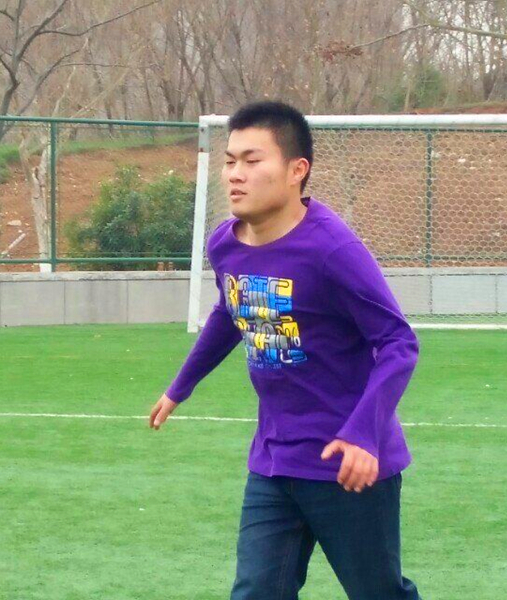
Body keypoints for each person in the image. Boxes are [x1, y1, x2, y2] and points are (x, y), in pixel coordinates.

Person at [150, 101, 422, 600]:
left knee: (378, 592)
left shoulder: (332, 250)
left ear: (298, 170)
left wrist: (364, 434)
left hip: (347, 464)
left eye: (252, 161)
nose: (235, 174)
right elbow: (230, 311)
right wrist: (179, 388)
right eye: (230, 161)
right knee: (257, 592)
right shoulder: (225, 244)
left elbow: (398, 342)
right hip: (274, 463)